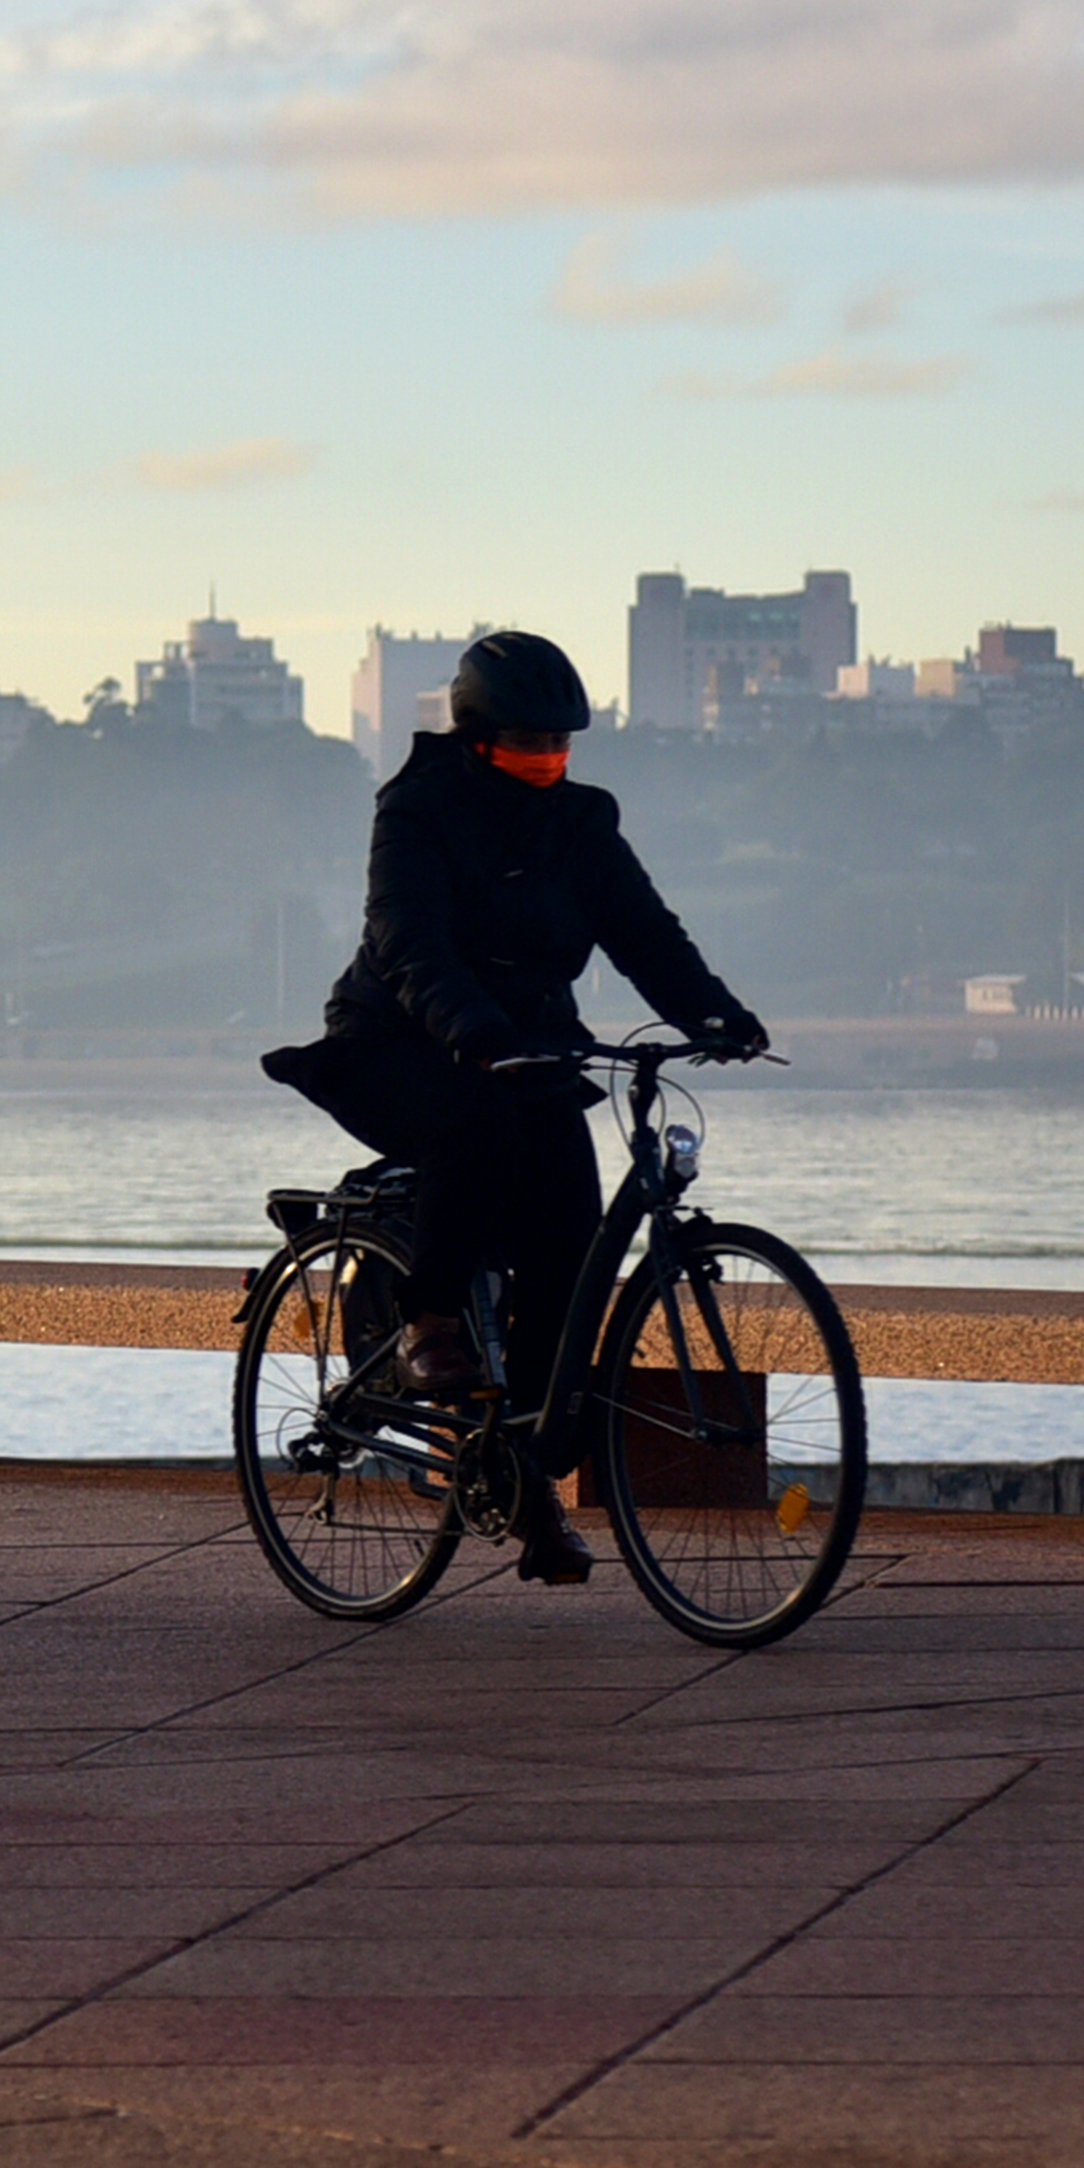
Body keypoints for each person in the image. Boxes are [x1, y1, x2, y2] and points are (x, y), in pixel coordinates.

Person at [258, 629, 767, 1582]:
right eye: (530, 745)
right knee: (474, 1130)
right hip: (397, 1041)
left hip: (529, 1050)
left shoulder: (582, 823)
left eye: (561, 746)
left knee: (567, 1248)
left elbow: (644, 933)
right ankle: (427, 1320)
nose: (549, 761)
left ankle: (521, 1473)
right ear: (479, 736)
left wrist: (716, 1015)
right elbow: (411, 946)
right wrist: (477, 1034)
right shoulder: (416, 810)